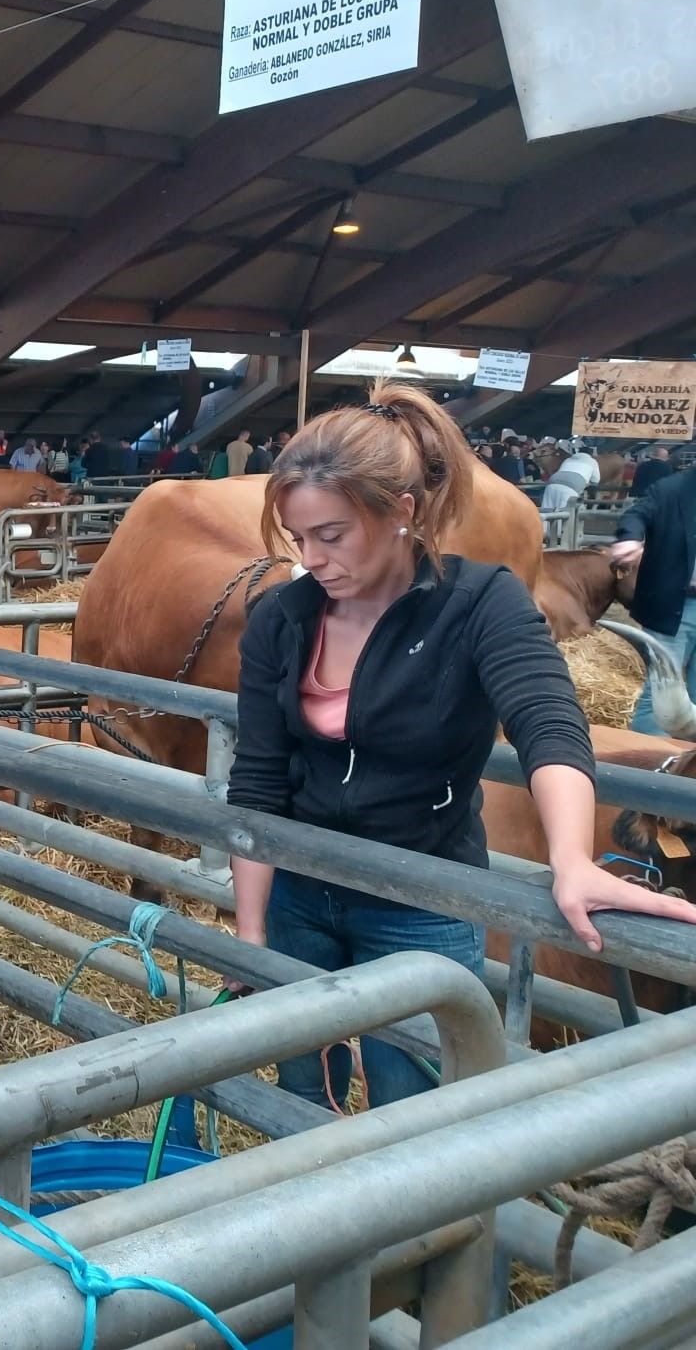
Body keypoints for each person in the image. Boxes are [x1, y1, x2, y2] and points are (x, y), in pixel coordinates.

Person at [230, 382, 696, 1111]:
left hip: (424, 897)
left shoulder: (481, 602)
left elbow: (549, 724)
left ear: (401, 513)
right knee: (302, 1086)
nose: (311, 559)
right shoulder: (280, 619)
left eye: (331, 535)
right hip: (299, 887)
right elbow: (257, 779)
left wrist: (571, 859)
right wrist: (250, 932)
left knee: (415, 1097)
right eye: (298, 538)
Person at [610, 460, 696, 736]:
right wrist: (630, 538)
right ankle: (648, 765)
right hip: (675, 607)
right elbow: (636, 515)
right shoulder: (671, 489)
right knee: (659, 692)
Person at [540, 441, 600, 514]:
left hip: (553, 481)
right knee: (563, 513)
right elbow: (596, 480)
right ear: (591, 454)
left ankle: (542, 525)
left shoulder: (568, 459)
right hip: (572, 486)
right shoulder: (592, 461)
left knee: (546, 510)